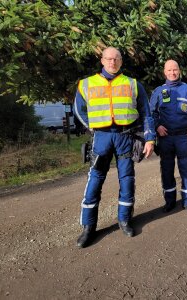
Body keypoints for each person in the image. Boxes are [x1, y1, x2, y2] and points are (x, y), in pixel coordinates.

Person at [74, 47, 155, 248]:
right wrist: (92, 128)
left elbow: (147, 113)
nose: (112, 62)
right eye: (109, 59)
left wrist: (150, 138)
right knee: (95, 180)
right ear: (102, 60)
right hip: (101, 137)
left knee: (127, 179)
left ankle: (125, 220)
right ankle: (88, 227)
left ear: (121, 61)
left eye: (116, 59)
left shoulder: (133, 84)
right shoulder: (86, 84)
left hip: (125, 136)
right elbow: (78, 110)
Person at [149, 60, 187, 215]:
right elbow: (151, 114)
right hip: (165, 137)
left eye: (175, 70)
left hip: (183, 137)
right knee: (166, 170)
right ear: (164, 72)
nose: (172, 73)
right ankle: (170, 201)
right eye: (169, 70)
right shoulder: (158, 92)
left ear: (179, 71)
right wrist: (157, 126)